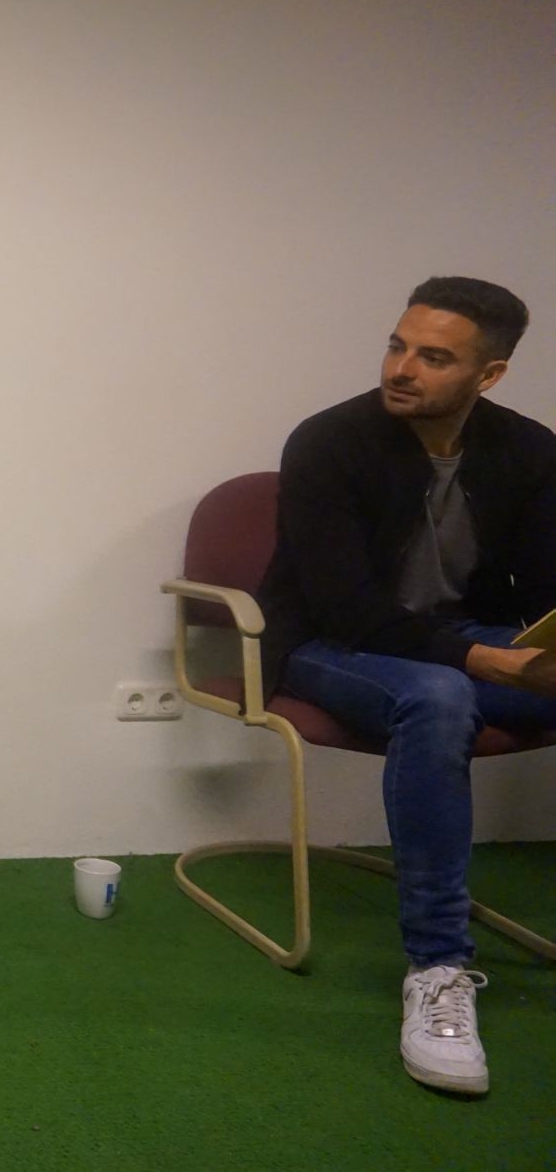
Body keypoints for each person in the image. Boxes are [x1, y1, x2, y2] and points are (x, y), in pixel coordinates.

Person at [257, 275, 553, 1096]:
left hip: (462, 640)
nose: (401, 368)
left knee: (448, 682)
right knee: (438, 696)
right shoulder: (328, 442)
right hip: (332, 646)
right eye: (397, 345)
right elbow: (347, 608)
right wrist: (488, 662)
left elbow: (541, 596)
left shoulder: (530, 451)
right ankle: (437, 969)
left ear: (489, 374)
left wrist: (537, 646)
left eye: (433, 357)